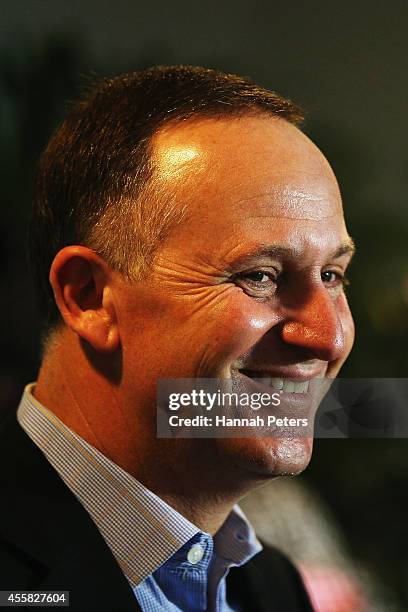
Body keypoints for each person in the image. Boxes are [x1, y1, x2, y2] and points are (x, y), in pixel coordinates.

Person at [0, 66, 355, 611]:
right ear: (89, 297)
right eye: (260, 275)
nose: (327, 336)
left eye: (332, 276)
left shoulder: (274, 588)